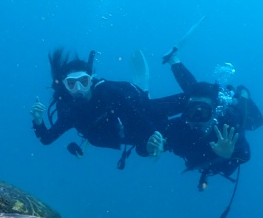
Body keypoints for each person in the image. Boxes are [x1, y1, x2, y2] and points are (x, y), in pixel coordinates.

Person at [31, 48, 166, 169]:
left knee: (156, 117)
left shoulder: (107, 92)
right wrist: (38, 121)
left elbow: (134, 114)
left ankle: (144, 90)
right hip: (116, 136)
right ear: (65, 86)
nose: (79, 89)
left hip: (134, 111)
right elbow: (46, 139)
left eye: (84, 82)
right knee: (144, 147)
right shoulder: (70, 112)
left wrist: (152, 133)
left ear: (91, 81)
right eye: (71, 84)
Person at [157, 46, 263, 192]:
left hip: (231, 113)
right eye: (192, 112)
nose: (197, 118)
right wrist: (157, 144)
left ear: (213, 113)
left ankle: (243, 95)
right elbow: (150, 141)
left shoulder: (228, 129)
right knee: (197, 94)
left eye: (204, 112)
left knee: (250, 120)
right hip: (211, 110)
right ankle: (175, 61)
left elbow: (245, 154)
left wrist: (227, 155)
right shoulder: (181, 126)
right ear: (186, 112)